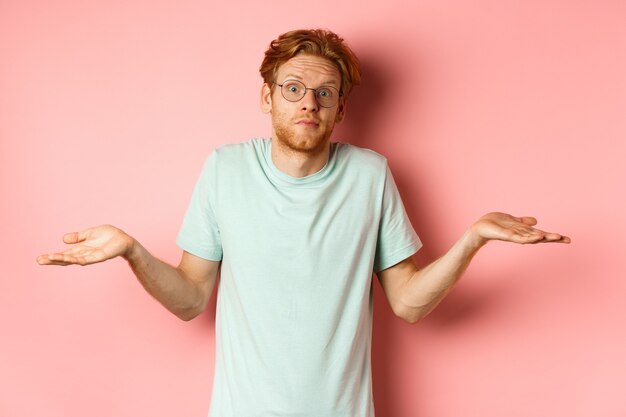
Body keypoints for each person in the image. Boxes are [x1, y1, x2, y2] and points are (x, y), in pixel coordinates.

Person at [37, 29, 570, 417]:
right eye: (292, 88)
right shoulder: (225, 168)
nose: (308, 103)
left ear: (340, 109)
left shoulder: (370, 174)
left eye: (325, 93)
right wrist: (131, 250)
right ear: (268, 97)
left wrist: (473, 239)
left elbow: (407, 303)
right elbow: (192, 299)